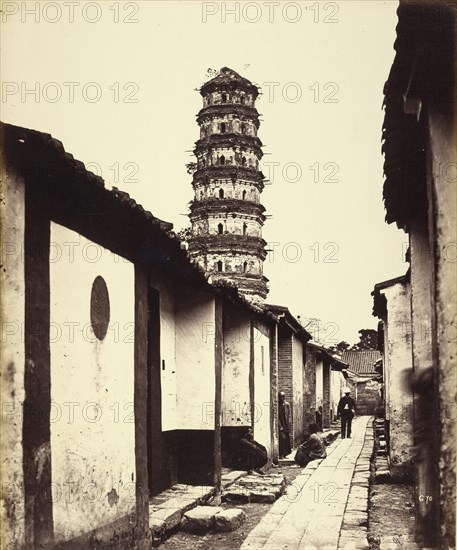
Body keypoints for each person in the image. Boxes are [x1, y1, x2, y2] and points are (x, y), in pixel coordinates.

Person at [278, 391, 291, 458]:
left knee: (286, 439)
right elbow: (277, 416)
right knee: (282, 438)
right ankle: (280, 454)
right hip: (280, 424)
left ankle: (285, 454)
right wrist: (280, 426)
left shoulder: (287, 405)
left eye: (283, 397)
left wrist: (288, 425)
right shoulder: (277, 405)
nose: (282, 398)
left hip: (285, 424)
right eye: (281, 397)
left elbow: (288, 415)